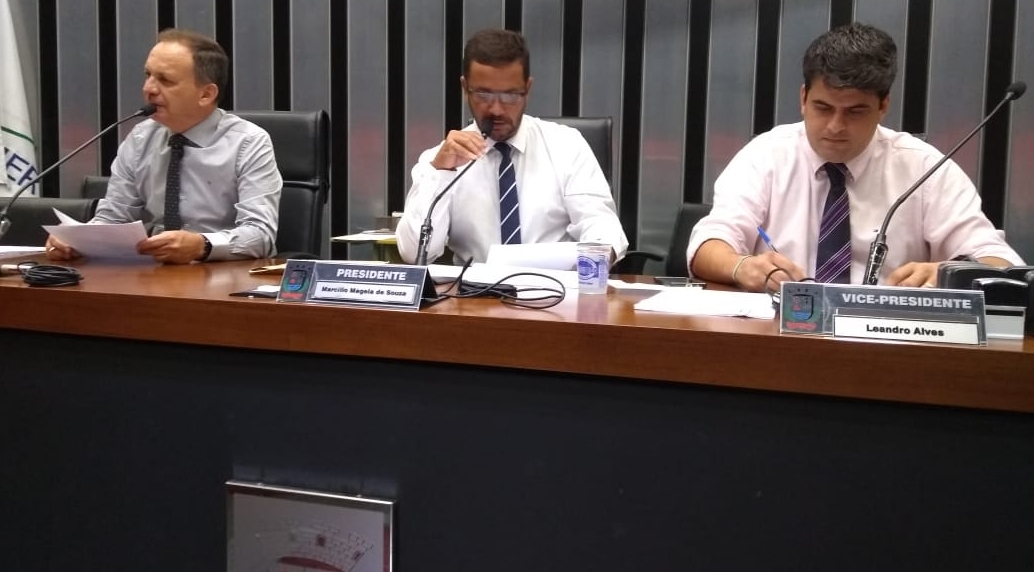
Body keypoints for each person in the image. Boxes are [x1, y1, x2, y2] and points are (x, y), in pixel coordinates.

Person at [687, 22, 1023, 292]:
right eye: (823, 108)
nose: (835, 126)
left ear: (883, 105)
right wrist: (742, 266)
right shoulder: (766, 155)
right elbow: (707, 245)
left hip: (890, 340)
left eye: (855, 111)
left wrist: (947, 273)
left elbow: (1000, 263)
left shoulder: (925, 168)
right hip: (780, 331)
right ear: (803, 98)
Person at [46, 28, 282, 264]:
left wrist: (203, 245)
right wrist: (76, 240)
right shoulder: (141, 138)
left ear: (206, 94)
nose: (149, 88)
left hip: (223, 272)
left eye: (165, 80)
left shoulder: (248, 142)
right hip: (154, 271)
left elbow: (261, 235)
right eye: (148, 75)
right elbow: (113, 218)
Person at [396, 28, 628, 265]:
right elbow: (414, 254)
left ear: (527, 89)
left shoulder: (567, 146)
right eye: (484, 94)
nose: (496, 109)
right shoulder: (440, 161)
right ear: (465, 88)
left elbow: (603, 230)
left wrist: (596, 257)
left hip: (553, 285)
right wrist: (440, 173)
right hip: (473, 288)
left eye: (510, 96)